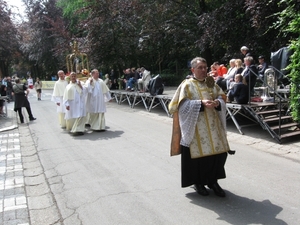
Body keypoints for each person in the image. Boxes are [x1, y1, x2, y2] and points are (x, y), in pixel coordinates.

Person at [168, 56, 231, 197]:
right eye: (200, 68)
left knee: (218, 154)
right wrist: (200, 103)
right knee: (198, 159)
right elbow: (179, 106)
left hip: (214, 127)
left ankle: (213, 181)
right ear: (193, 70)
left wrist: (217, 102)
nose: (204, 70)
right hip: (196, 128)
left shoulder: (211, 82)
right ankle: (198, 182)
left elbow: (222, 96)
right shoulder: (187, 85)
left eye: (205, 67)